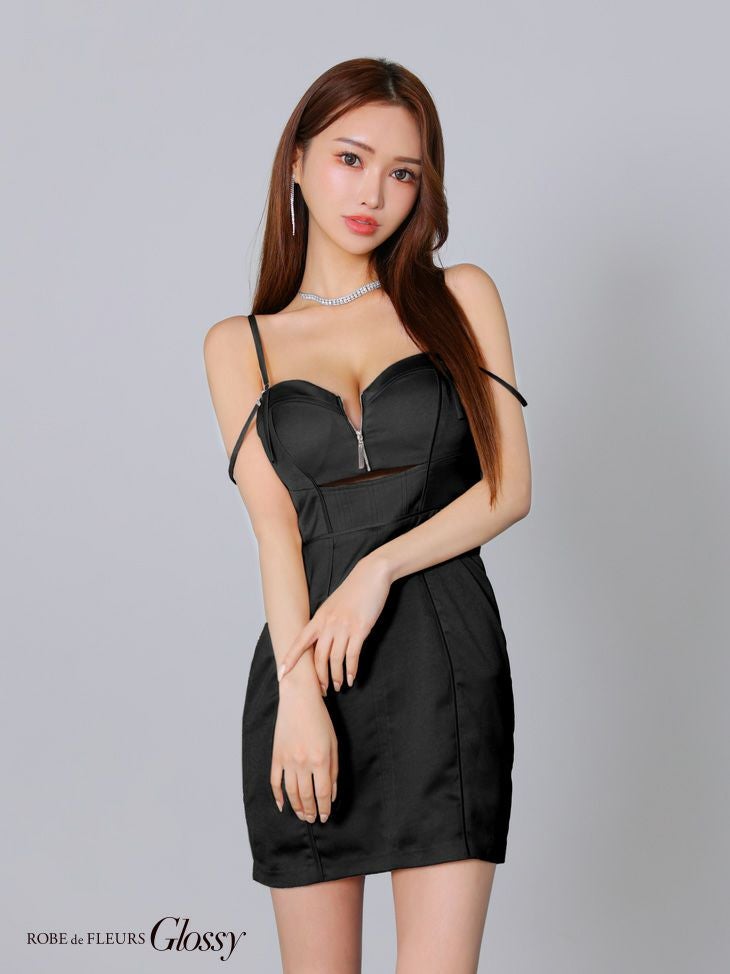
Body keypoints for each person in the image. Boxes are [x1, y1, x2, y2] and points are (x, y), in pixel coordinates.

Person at [203, 56, 531, 974]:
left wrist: (376, 570)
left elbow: (509, 489)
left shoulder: (461, 297)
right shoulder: (238, 345)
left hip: (445, 665)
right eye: (351, 159)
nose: (373, 194)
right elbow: (276, 532)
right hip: (310, 672)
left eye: (403, 173)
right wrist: (298, 698)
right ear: (298, 161)